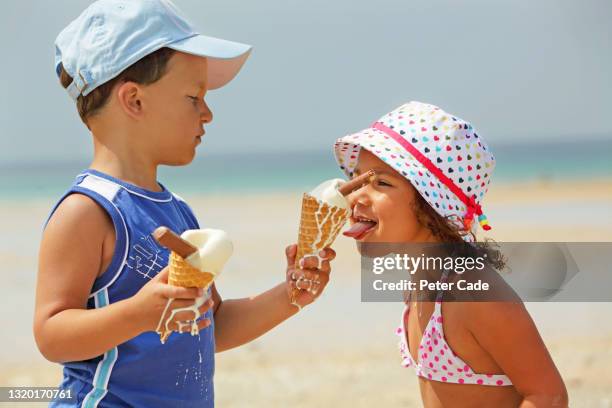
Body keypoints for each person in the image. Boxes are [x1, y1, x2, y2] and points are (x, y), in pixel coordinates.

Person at [33, 1, 334, 406]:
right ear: (134, 101)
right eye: (195, 97)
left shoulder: (176, 210)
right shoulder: (89, 210)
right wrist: (138, 314)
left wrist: (291, 294)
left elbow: (214, 325)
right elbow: (52, 335)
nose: (208, 113)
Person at [335, 101, 568, 407]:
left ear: (432, 206)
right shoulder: (421, 281)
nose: (356, 195)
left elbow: (548, 396)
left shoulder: (475, 295)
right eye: (357, 177)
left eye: (381, 182)